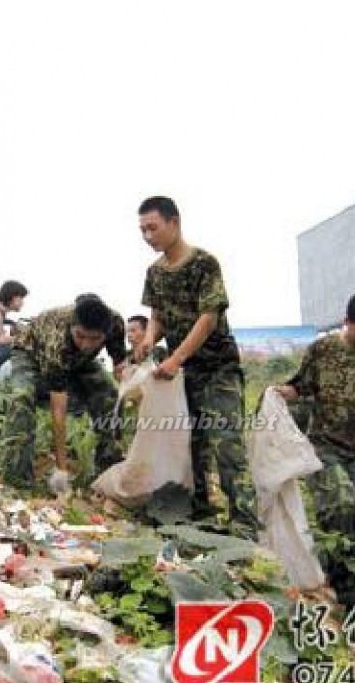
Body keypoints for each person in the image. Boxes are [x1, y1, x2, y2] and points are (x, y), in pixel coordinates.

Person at [274, 292, 355, 607]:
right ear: (347, 322)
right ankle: (337, 585)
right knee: (341, 505)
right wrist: (284, 393)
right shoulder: (323, 349)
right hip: (326, 448)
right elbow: (301, 387)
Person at [135, 195, 258, 537]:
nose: (147, 236)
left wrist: (176, 358)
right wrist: (149, 340)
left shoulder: (204, 263)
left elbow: (209, 316)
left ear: (174, 223)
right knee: (193, 444)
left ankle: (246, 525)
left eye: (153, 228)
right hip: (185, 373)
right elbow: (158, 315)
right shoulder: (155, 272)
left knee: (227, 443)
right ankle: (203, 514)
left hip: (218, 368)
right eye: (142, 230)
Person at [3, 294, 126, 491]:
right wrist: (61, 468)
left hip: (79, 360)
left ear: (106, 332)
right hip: (30, 351)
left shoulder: (116, 324)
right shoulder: (57, 339)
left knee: (109, 395)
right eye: (80, 336)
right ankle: (18, 480)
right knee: (22, 398)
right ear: (72, 327)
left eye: (95, 339)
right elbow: (58, 409)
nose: (86, 344)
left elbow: (121, 368)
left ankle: (108, 471)